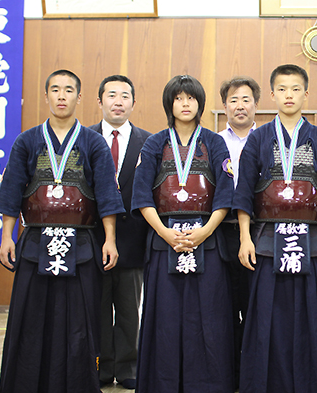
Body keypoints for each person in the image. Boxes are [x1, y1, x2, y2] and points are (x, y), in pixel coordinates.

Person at [0, 69, 124, 393]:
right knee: (30, 319)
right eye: (55, 89)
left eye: (69, 90)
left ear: (79, 97)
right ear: (47, 96)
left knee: (79, 321)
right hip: (35, 242)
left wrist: (109, 240)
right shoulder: (27, 141)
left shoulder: (93, 142)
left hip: (81, 243)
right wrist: (7, 237)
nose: (62, 95)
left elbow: (107, 194)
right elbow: (12, 192)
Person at [234, 64, 317, 393]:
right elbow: (243, 194)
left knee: (312, 316)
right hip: (267, 241)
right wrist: (245, 238)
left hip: (312, 242)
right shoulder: (258, 138)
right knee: (268, 318)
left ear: (305, 94)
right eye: (282, 89)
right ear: (272, 95)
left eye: (295, 89)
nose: (288, 95)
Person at [131, 74, 235, 392]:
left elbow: (226, 194)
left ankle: (210, 382)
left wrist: (205, 231)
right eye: (178, 98)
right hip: (164, 241)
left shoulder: (215, 143)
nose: (185, 104)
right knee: (165, 316)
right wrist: (164, 231)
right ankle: (163, 383)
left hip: (208, 239)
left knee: (211, 315)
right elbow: (141, 194)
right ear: (170, 104)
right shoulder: (155, 143)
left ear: (200, 103)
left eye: (190, 98)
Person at [89, 75, 151, 390]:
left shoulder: (149, 141)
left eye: (124, 95)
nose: (118, 101)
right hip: (94, 238)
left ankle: (128, 366)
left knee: (129, 309)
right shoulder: (83, 139)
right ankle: (100, 365)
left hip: (134, 238)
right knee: (97, 306)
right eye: (111, 95)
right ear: (99, 101)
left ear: (133, 103)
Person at [218, 76, 260, 389]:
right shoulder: (214, 142)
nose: (240, 106)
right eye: (233, 100)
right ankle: (229, 374)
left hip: (259, 234)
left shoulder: (269, 142)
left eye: (246, 99)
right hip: (220, 233)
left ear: (256, 104)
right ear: (225, 106)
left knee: (257, 305)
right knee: (224, 307)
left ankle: (253, 374)